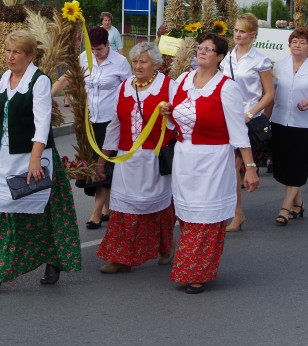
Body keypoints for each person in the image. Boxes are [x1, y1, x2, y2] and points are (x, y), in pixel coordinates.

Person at [0, 30, 81, 295]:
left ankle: (54, 259)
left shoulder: (38, 81)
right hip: (2, 157)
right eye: (7, 51)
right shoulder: (1, 80)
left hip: (32, 157)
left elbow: (42, 123)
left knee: (44, 215)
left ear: (30, 56)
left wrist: (35, 160)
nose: (10, 56)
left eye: (16, 52)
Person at [162, 33, 259, 293]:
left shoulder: (227, 87)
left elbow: (238, 131)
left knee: (205, 218)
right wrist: (168, 114)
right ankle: (195, 267)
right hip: (185, 159)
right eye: (200, 47)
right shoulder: (183, 80)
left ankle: (195, 272)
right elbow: (175, 123)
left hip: (213, 161)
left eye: (209, 49)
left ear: (220, 57)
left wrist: (250, 168)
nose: (202, 52)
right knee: (187, 216)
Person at [95, 42, 176, 273]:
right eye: (135, 61)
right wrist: (102, 160)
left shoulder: (169, 86)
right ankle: (120, 258)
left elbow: (181, 120)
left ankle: (165, 246)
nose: (138, 66)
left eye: (143, 61)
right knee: (122, 208)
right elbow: (115, 125)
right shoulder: (124, 87)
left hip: (155, 159)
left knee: (157, 207)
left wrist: (170, 114)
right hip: (127, 159)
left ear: (156, 64)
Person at [52, 26, 131, 229]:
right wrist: (47, 93)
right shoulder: (84, 58)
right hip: (89, 121)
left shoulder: (120, 62)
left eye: (100, 49)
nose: (96, 53)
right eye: (93, 49)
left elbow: (130, 90)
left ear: (107, 44)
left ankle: (95, 213)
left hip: (111, 122)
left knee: (101, 166)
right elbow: (68, 76)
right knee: (92, 165)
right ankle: (107, 209)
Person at [269, 27, 308, 224]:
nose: (297, 45)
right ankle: (298, 203)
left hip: (304, 124)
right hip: (280, 120)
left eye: (302, 42)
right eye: (294, 41)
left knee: (298, 165)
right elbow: (271, 93)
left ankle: (285, 208)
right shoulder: (280, 65)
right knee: (284, 165)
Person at [221, 13, 274, 231]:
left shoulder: (260, 60)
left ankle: (237, 213)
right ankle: (226, 210)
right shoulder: (226, 57)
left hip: (246, 118)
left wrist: (251, 114)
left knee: (235, 165)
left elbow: (269, 93)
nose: (237, 35)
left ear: (252, 34)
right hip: (226, 115)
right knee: (226, 167)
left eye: (242, 31)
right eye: (235, 30)